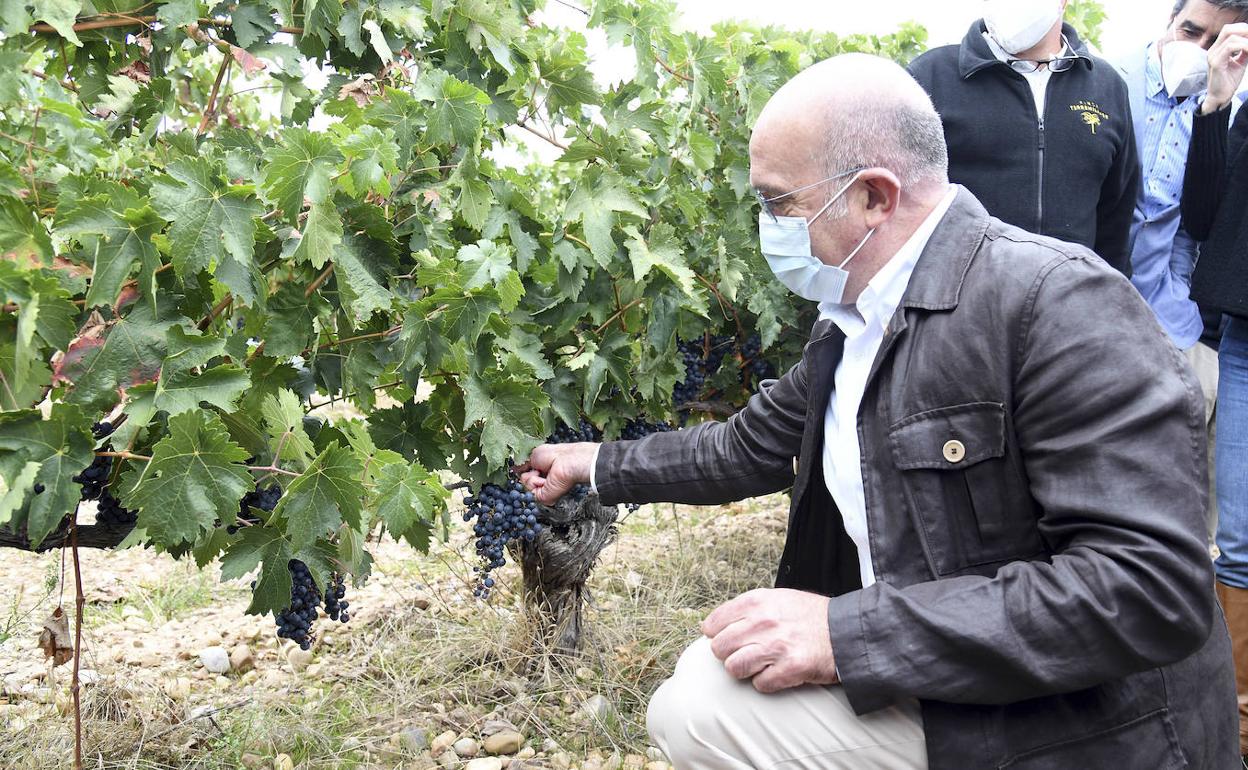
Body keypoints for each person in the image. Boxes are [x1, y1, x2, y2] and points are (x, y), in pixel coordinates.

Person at [518, 54, 1237, 769]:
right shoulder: (854, 320)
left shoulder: (1058, 304)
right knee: (705, 682)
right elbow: (747, 446)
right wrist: (594, 464)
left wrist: (848, 635)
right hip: (960, 677)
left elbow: (1148, 589)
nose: (767, 227)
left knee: (704, 710)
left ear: (873, 197)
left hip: (1082, 726)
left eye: (778, 203)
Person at [1117, 0, 1248, 544]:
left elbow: (1201, 223)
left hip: (1180, 321)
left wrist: (1216, 101)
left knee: (1188, 506)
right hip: (1097, 312)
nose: (1200, 51)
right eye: (1190, 31)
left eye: (1220, 42)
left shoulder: (1230, 108)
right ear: (1169, 22)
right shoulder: (1108, 82)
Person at [908, 0, 1140, 275]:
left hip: (1069, 294)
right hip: (958, 294)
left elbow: (1116, 218)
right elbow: (902, 208)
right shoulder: (931, 77)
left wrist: (1105, 291)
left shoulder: (1107, 87)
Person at [1179, 18, 1248, 757]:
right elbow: (1202, 217)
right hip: (1245, 336)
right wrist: (1219, 101)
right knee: (1240, 540)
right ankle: (1237, 721)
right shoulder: (1240, 107)